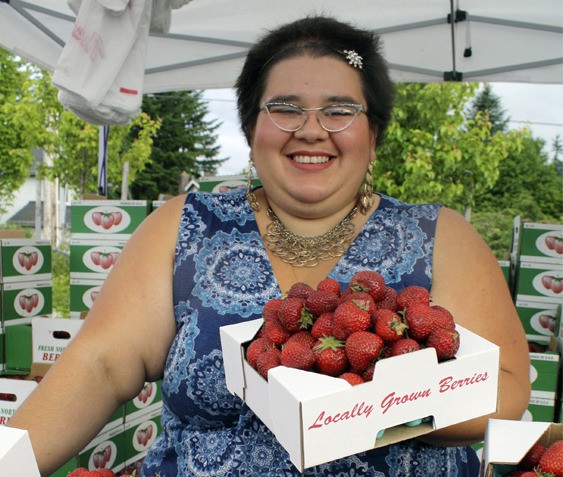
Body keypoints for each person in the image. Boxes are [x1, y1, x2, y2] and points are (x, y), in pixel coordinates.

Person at [9, 15, 530, 477]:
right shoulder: (187, 226)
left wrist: (367, 406)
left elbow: (504, 389)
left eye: (339, 111)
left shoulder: (437, 236)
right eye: (285, 108)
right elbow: (99, 366)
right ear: (251, 128)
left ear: (373, 136)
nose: (311, 130)